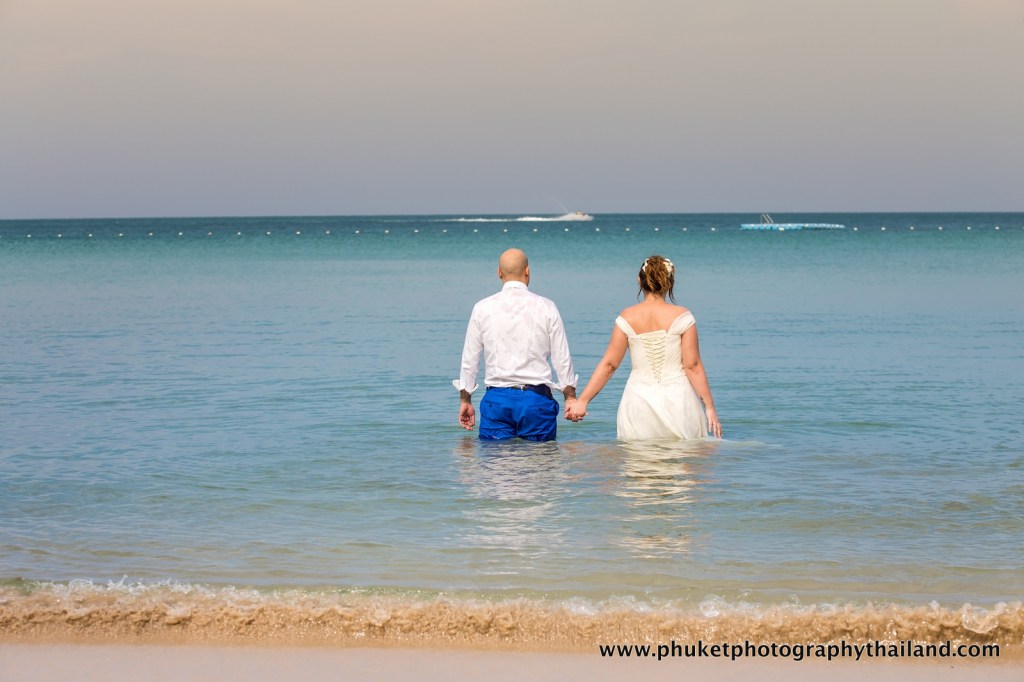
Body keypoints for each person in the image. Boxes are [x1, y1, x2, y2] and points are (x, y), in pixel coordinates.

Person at [565, 255, 721, 440]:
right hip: (678, 400)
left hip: (638, 401)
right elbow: (692, 366)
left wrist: (582, 401)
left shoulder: (627, 316)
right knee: (682, 464)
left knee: (638, 464)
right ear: (670, 282)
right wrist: (709, 408)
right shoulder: (683, 316)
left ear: (640, 280)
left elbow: (610, 365)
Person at [454, 248, 578, 441]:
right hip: (536, 400)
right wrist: (570, 397)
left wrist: (465, 399)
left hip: (497, 401)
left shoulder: (482, 308)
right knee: (541, 466)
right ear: (527, 271)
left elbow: (470, 358)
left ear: (499, 273)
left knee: (496, 468)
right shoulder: (546, 306)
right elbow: (561, 357)